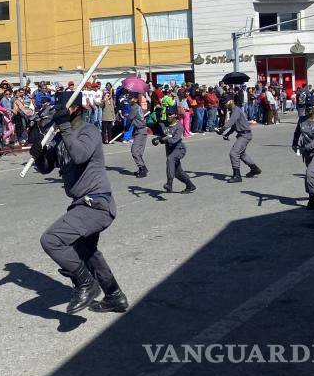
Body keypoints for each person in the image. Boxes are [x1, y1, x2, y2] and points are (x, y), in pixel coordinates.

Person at [31, 91, 128, 314]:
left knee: (52, 240)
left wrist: (64, 126)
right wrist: (39, 155)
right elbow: (47, 167)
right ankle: (115, 296)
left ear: (73, 109)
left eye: (61, 109)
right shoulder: (59, 137)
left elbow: (80, 155)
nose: (56, 112)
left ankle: (86, 283)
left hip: (97, 203)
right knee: (87, 251)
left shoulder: (89, 131)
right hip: (80, 203)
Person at [151, 106, 196, 194]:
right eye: (167, 115)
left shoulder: (179, 126)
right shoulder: (163, 124)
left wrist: (164, 139)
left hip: (179, 149)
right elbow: (162, 136)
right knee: (177, 172)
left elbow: (174, 140)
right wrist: (157, 140)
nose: (168, 116)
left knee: (170, 159)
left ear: (175, 115)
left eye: (170, 114)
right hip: (170, 150)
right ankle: (190, 185)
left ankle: (169, 183)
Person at [217, 99, 261, 183]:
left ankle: (237, 176)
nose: (225, 106)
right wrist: (227, 134)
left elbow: (231, 121)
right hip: (243, 134)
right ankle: (254, 169)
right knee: (241, 154)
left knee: (234, 153)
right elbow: (234, 125)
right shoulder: (234, 110)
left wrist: (222, 129)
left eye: (226, 104)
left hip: (245, 135)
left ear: (230, 102)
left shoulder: (235, 110)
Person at [126, 93, 148, 177]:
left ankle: (142, 169)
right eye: (129, 98)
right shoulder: (136, 107)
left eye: (131, 98)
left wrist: (126, 128)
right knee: (138, 152)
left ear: (135, 99)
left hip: (141, 131)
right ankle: (143, 168)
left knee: (134, 151)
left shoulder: (135, 107)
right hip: (140, 130)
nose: (129, 100)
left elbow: (129, 119)